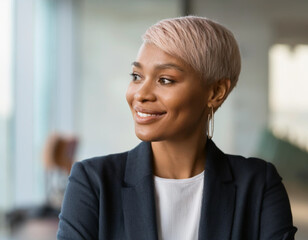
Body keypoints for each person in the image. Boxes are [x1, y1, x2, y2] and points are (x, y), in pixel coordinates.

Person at [57, 16, 297, 240]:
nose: (140, 94)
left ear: (215, 92)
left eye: (165, 80)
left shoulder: (258, 185)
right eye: (136, 76)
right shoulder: (93, 182)